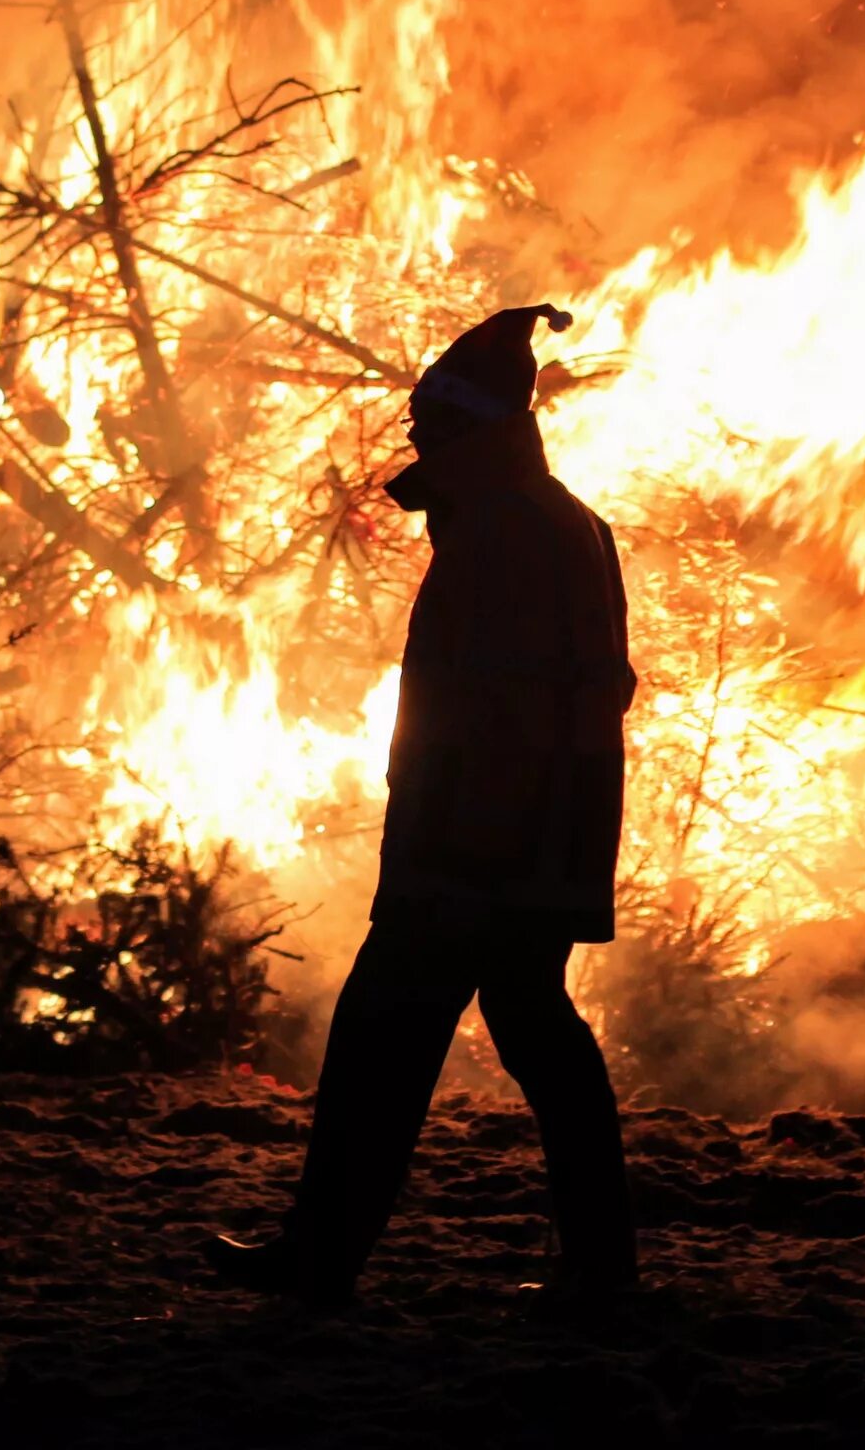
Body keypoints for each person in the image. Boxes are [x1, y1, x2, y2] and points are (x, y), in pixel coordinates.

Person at [204, 303, 639, 1311]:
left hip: (482, 849)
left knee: (380, 1038)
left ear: (472, 428)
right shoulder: (553, 519)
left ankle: (318, 1262)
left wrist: (460, 858)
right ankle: (602, 1269)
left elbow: (504, 708)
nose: (414, 437)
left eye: (429, 421)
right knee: (534, 1029)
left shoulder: (506, 533)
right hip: (543, 840)